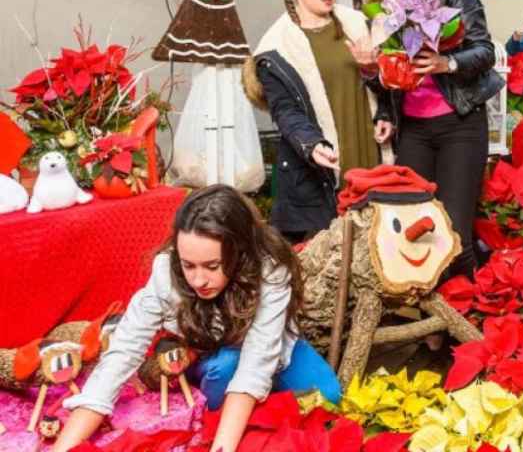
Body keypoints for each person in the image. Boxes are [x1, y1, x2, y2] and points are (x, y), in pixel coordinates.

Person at [53, 185, 341, 452]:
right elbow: (122, 355)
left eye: (212, 266)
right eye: (188, 265)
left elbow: (258, 360)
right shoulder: (165, 273)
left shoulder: (270, 271)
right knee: (223, 380)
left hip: (270, 344)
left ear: (240, 254)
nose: (199, 280)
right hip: (213, 350)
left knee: (328, 398)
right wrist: (64, 447)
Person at [365, 0, 503, 278]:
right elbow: (389, 82)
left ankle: (471, 324)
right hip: (413, 132)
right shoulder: (383, 8)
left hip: (459, 125)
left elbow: (484, 51)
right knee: (418, 232)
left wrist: (447, 63)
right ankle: (432, 329)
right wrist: (382, 109)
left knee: (454, 236)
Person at [242, 0, 378, 243]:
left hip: (368, 152)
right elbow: (285, 110)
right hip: (323, 168)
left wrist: (385, 112)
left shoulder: (356, 24)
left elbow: (380, 86)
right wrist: (312, 143)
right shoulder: (275, 47)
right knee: (329, 262)